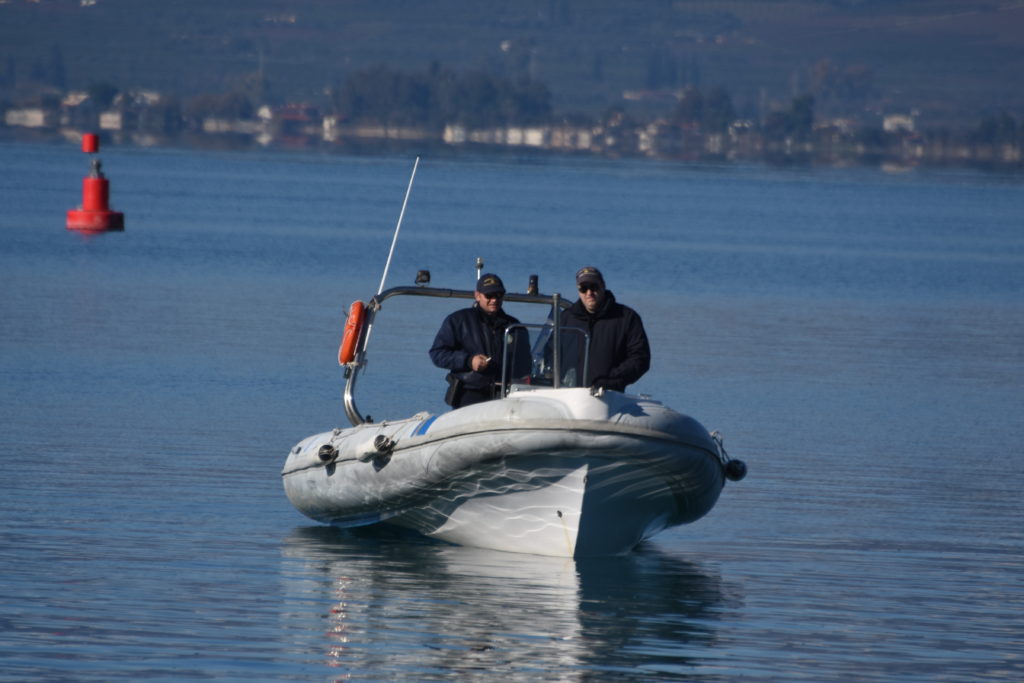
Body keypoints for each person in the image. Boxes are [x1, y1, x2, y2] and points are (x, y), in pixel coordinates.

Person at [429, 273, 524, 408]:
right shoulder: (458, 320)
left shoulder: (515, 326)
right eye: (489, 296)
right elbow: (437, 354)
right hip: (469, 392)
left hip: (505, 394)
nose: (494, 300)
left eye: (498, 295)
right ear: (477, 295)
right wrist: (469, 361)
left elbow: (524, 363)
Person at [560, 266, 650, 392]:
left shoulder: (627, 318)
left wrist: (611, 379)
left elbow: (640, 358)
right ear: (578, 290)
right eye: (584, 288)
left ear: (603, 286)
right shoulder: (565, 318)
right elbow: (550, 355)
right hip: (568, 395)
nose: (589, 293)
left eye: (594, 287)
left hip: (608, 397)